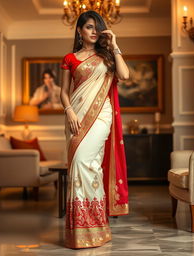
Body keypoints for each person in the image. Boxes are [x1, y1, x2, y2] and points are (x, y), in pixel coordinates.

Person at [60, 10, 129, 249]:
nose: (93, 31)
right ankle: (84, 229)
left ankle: (96, 223)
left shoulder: (107, 56)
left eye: (97, 27)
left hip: (101, 116)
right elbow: (63, 92)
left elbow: (125, 74)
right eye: (89, 27)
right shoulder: (70, 58)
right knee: (86, 167)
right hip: (75, 116)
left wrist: (115, 45)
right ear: (79, 30)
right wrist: (68, 111)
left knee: (83, 162)